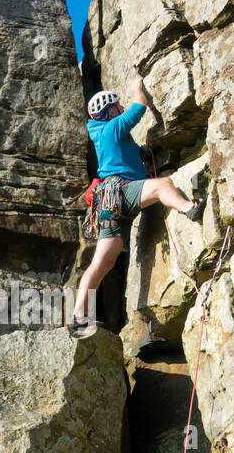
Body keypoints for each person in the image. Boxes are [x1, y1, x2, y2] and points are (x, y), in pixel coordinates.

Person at [72, 77, 204, 330]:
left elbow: (133, 155)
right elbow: (139, 108)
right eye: (117, 106)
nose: (121, 108)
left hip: (110, 205)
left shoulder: (107, 135)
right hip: (121, 192)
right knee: (162, 185)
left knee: (102, 264)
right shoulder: (112, 128)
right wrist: (136, 89)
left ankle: (78, 317)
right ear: (109, 110)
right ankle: (189, 208)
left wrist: (145, 149)